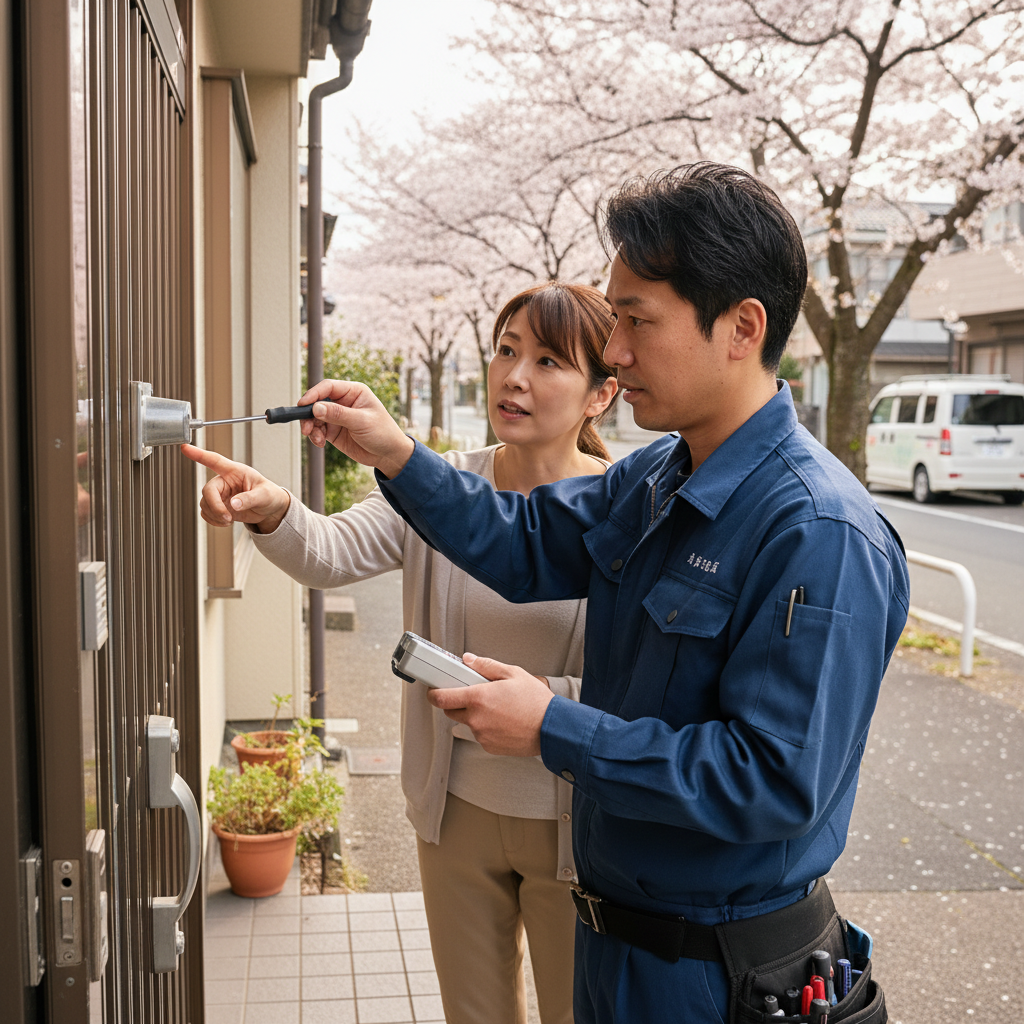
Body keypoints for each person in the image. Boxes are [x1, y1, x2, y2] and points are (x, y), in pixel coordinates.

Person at [292, 163, 910, 1024]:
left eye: (636, 320)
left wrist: (553, 726)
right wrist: (394, 453)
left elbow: (770, 780)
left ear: (742, 327)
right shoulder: (658, 477)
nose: (615, 351)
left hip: (716, 975)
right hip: (616, 942)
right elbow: (523, 540)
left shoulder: (818, 531)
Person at [183, 282, 619, 1024]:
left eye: (548, 361)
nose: (514, 377)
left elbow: (642, 682)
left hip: (578, 829)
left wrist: (550, 706)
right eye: (506, 351)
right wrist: (273, 508)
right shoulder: (441, 484)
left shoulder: (623, 508)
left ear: (601, 395)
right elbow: (330, 550)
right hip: (454, 814)